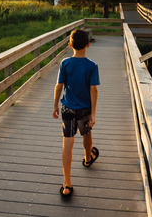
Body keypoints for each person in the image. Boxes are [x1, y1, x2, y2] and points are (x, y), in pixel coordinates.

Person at [52, 29, 100, 198]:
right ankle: (88, 158)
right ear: (88, 44)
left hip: (67, 108)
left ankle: (67, 184)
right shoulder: (92, 66)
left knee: (68, 142)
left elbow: (59, 86)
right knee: (86, 133)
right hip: (85, 109)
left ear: (70, 44)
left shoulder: (65, 63)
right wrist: (93, 113)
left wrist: (55, 105)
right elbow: (93, 90)